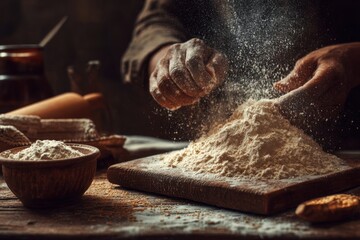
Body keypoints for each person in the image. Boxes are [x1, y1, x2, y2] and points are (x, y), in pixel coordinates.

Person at [122, 0, 360, 147]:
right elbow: (156, 21)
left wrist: (352, 59)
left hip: (351, 141)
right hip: (226, 142)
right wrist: (169, 60)